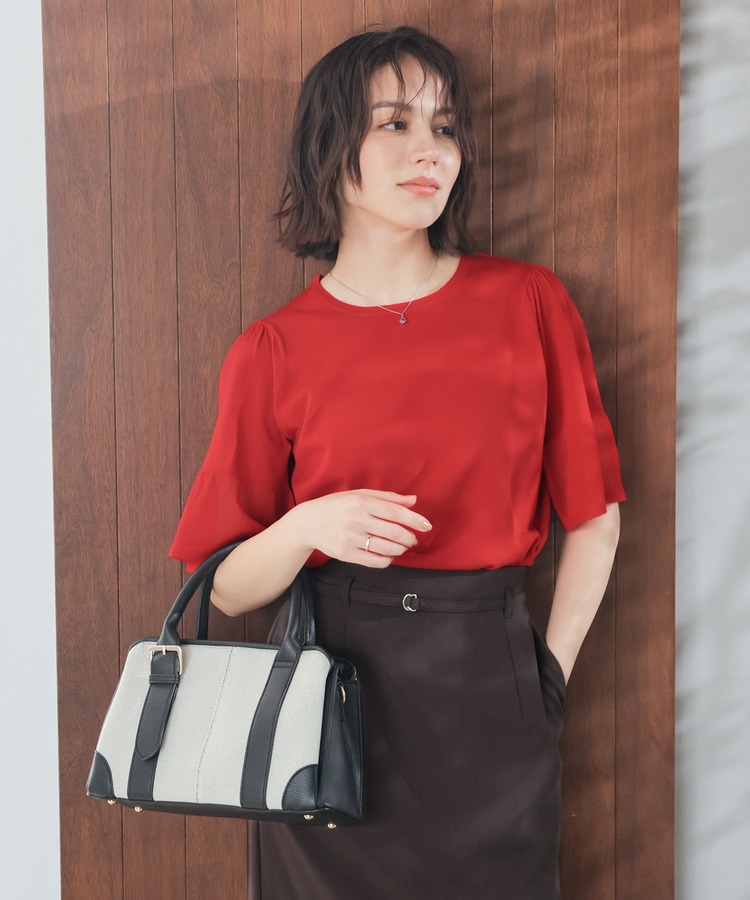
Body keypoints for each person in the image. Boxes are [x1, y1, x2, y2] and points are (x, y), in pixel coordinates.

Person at [169, 25, 624, 900]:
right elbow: (222, 587)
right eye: (395, 123)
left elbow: (595, 519)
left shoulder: (528, 303)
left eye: (445, 127)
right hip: (325, 710)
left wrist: (548, 684)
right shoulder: (273, 349)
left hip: (490, 692)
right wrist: (308, 525)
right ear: (330, 149)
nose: (430, 151)